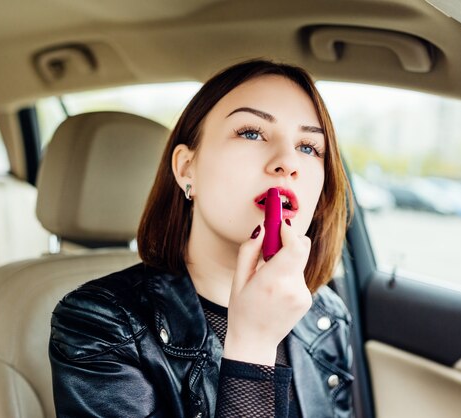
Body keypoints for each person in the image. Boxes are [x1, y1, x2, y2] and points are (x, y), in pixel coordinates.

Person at [49, 59, 355, 418]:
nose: (287, 162)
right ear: (186, 168)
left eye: (309, 147)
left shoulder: (326, 316)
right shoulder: (99, 326)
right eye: (251, 133)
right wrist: (253, 347)